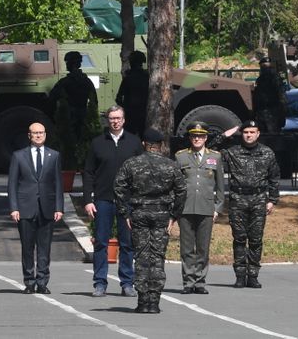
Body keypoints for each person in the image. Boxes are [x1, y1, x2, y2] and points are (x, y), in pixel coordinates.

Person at [114, 127, 187, 313]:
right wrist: (174, 215)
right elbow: (181, 191)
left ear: (144, 143)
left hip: (139, 213)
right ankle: (154, 302)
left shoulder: (131, 164)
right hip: (162, 214)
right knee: (157, 257)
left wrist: (125, 212)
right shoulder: (170, 165)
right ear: (160, 145)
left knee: (141, 256)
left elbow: (119, 188)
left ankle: (143, 300)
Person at [83, 105, 143, 297]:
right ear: (107, 121)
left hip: (128, 201)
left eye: (118, 118)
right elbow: (88, 173)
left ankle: (127, 283)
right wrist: (87, 200)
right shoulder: (97, 143)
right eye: (111, 118)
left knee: (127, 243)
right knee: (101, 242)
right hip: (103, 200)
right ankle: (100, 283)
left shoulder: (134, 142)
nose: (115, 121)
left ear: (124, 120)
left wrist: (139, 200)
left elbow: (142, 172)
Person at [213, 120, 280, 289]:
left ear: (258, 134)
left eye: (252, 132)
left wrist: (272, 200)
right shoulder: (232, 152)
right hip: (238, 200)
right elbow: (211, 148)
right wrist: (227, 133)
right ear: (241, 134)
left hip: (258, 200)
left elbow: (274, 177)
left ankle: (253, 275)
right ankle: (240, 275)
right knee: (239, 238)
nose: (249, 135)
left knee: (256, 239)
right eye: (245, 132)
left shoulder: (267, 153)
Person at [8, 122, 64, 295]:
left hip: (47, 207)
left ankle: (42, 281)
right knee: (27, 247)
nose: (38, 135)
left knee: (44, 247)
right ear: (29, 135)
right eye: (35, 133)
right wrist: (14, 207)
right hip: (25, 208)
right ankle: (29, 282)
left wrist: (59, 207)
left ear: (45, 135)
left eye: (41, 132)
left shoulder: (53, 155)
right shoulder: (18, 156)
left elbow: (58, 184)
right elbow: (12, 184)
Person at [174, 121, 224, 295]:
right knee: (187, 248)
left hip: (206, 208)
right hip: (186, 208)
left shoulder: (215, 157)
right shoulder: (180, 157)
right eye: (194, 136)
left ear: (206, 138)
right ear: (189, 137)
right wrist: (176, 208)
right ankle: (188, 281)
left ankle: (200, 281)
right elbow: (176, 185)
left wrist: (217, 208)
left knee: (203, 247)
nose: (197, 139)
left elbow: (220, 186)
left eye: (200, 136)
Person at [49, 51, 98, 140]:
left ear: (71, 63)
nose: (66, 65)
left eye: (67, 62)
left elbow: (52, 98)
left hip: (69, 118)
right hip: (83, 116)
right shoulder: (87, 81)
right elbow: (94, 101)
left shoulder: (65, 82)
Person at [115, 50, 149, 138]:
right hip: (144, 113)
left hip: (130, 113)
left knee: (129, 138)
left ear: (131, 62)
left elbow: (118, 98)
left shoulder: (128, 78)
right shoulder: (147, 78)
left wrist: (124, 108)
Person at [253, 57, 287, 134]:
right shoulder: (262, 78)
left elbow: (281, 95)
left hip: (271, 110)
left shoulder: (274, 78)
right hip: (264, 109)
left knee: (272, 133)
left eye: (266, 66)